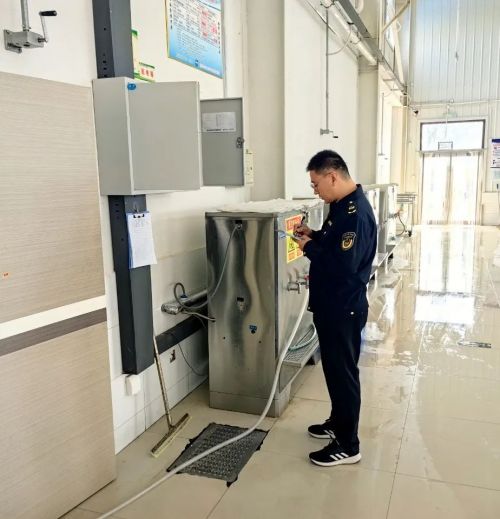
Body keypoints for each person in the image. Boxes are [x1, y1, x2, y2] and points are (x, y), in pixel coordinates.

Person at [294, 149, 377, 467]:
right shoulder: (341, 206)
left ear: (332, 176)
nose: (315, 190)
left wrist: (309, 248)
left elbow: (344, 266)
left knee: (343, 374)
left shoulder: (355, 213)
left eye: (316, 184)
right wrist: (313, 235)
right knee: (334, 370)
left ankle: (348, 444)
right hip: (332, 305)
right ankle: (338, 422)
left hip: (343, 308)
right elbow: (335, 245)